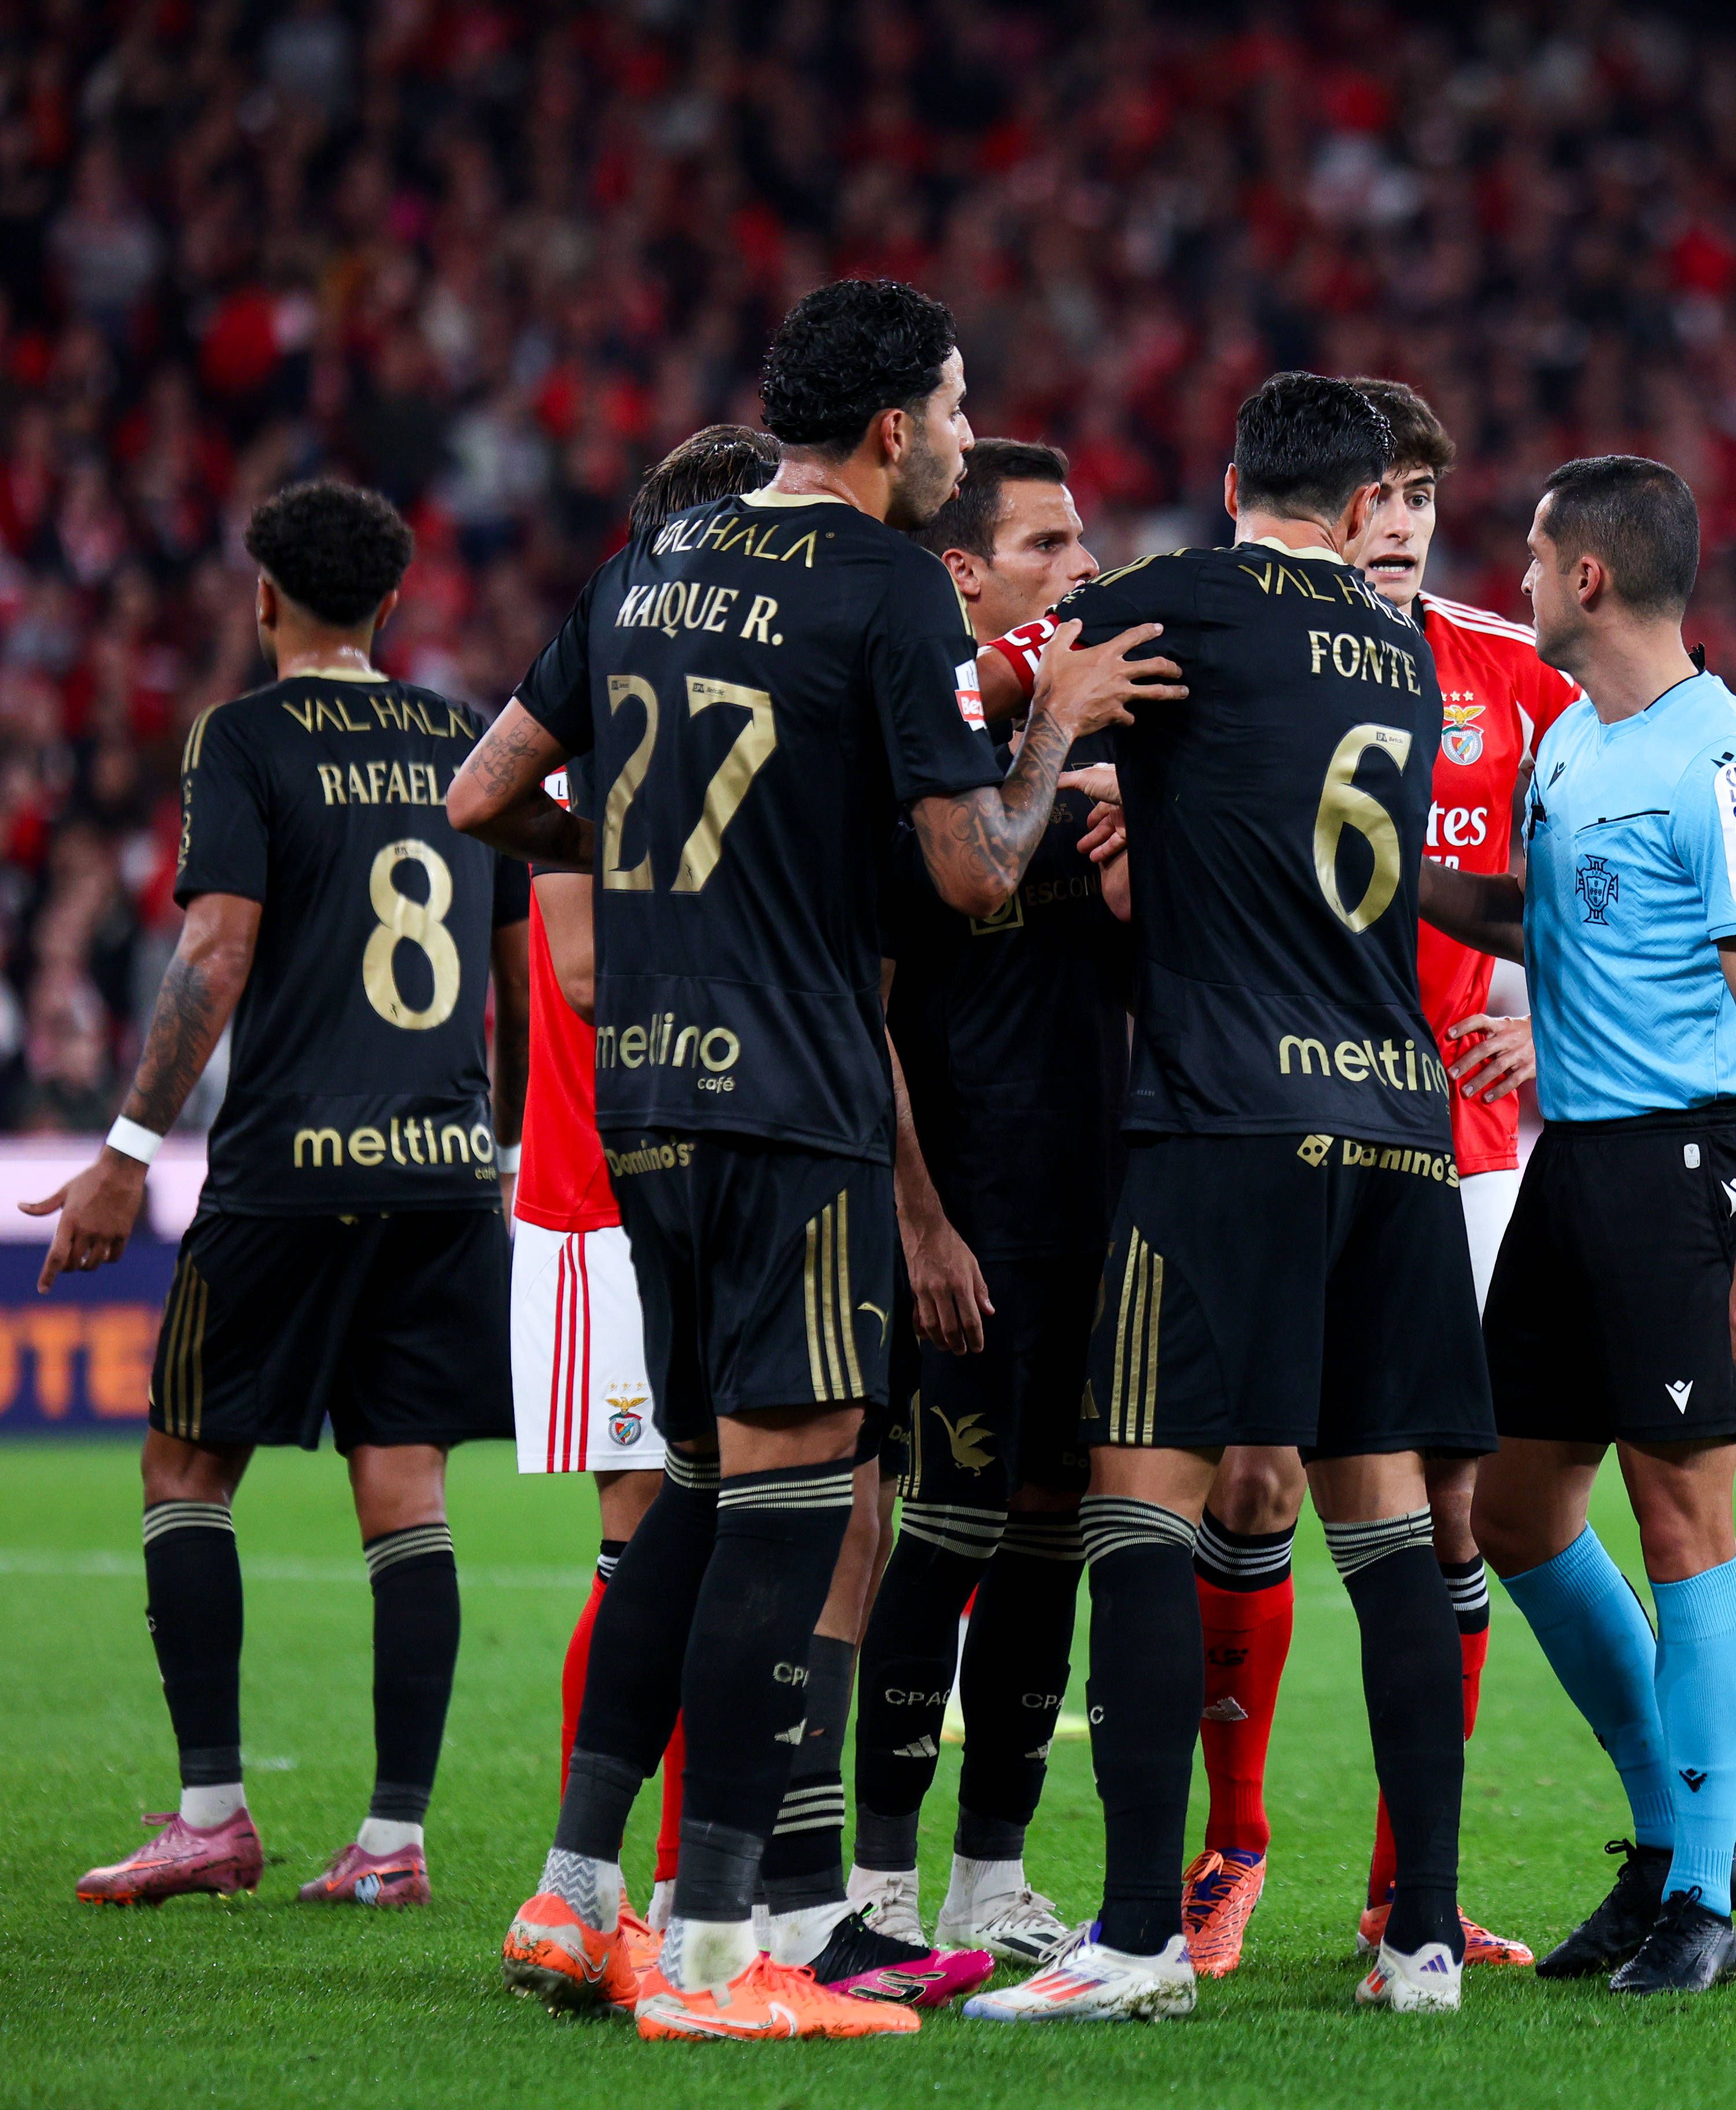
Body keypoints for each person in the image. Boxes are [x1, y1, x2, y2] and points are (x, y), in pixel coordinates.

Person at [452, 278, 1167, 2042]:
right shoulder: (875, 590)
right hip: (792, 1095)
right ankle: (718, 1962)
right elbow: (981, 875)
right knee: (791, 1502)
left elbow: (482, 796)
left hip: (649, 1102)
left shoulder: (641, 574)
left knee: (695, 1492)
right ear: (889, 432)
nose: (956, 424)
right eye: (951, 401)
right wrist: (1059, 716)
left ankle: (574, 1898)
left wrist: (667, 857)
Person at [958, 372, 1492, 2025]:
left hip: (1222, 1118)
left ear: (1234, 480)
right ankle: (1423, 1942)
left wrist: (1067, 742)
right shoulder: (1405, 654)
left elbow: (998, 705)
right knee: (1390, 1525)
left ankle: (1130, 1938)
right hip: (1398, 1121)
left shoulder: (1162, 602)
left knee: (1139, 1502)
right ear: (1355, 513)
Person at [49, 481, 532, 1910]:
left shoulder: (242, 739)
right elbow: (514, 964)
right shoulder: (465, 738)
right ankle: (393, 1846)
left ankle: (212, 1817)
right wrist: (498, 1151)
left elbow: (216, 947)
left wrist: (127, 1152)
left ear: (265, 599)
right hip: (449, 1174)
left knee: (185, 1468)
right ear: (390, 604)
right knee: (407, 1488)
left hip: (289, 1170)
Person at [1174, 377, 1571, 1979]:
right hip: (1271, 1125)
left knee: (1452, 1513)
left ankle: (1415, 1890)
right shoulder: (1233, 642)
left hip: (1460, 1155)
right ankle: (1233, 1845)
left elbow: (1617, 858)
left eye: (1422, 493)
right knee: (1252, 1482)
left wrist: (1545, 1001)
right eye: (1379, 493)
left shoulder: (1512, 674)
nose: (1399, 520)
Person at [1417, 454, 1736, 1995]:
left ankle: (1699, 1898)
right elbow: (1547, 916)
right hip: (1571, 1162)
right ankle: (1666, 1839)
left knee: (1682, 1523)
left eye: (1527, 554)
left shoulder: (1722, 763)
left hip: (1679, 1175)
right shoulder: (1573, 741)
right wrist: (1403, 886)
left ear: (1589, 577)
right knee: (1511, 1511)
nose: (1509, 574)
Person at [844, 437, 1153, 1972]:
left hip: (1094, 1201)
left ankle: (992, 1879)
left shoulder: (1108, 752)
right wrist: (921, 1222)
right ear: (961, 569)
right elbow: (872, 1006)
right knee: (948, 1530)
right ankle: (881, 1888)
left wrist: (1135, 851)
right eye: (1045, 543)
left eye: (1084, 537)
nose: (1079, 566)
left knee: (1055, 1537)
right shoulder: (921, 750)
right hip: (964, 1211)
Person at [522, 423, 779, 1946]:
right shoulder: (606, 713)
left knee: (709, 1522)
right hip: (603, 1190)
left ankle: (659, 1880)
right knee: (651, 1534)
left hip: (683, 1170)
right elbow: (579, 964)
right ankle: (591, 1885)